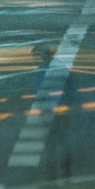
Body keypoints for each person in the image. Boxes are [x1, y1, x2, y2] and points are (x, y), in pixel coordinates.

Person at [32, 44, 76, 180]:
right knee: (63, 142)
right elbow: (72, 90)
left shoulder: (41, 70)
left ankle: (50, 174)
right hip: (62, 111)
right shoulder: (62, 69)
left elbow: (38, 92)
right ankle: (66, 171)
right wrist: (68, 105)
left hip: (47, 111)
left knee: (49, 144)